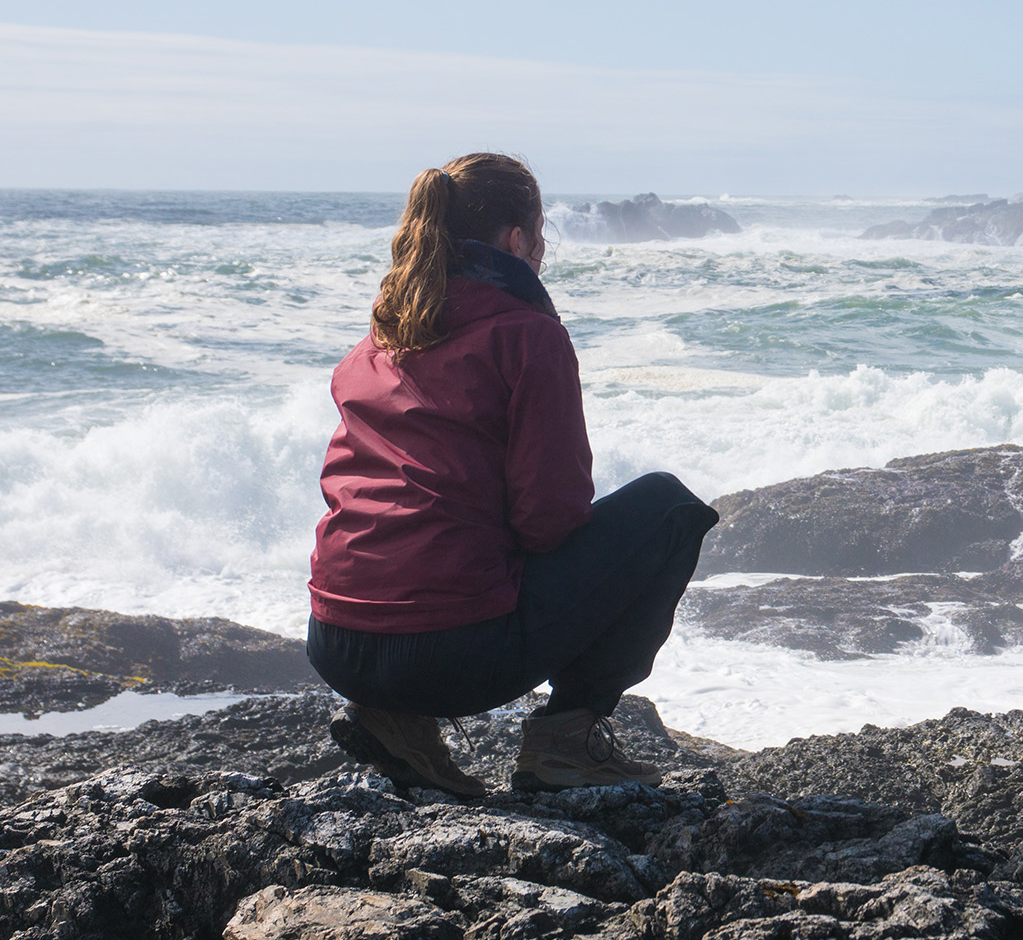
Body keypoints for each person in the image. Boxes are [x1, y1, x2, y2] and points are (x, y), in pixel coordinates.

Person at [306, 152, 718, 797]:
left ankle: (396, 721)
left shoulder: (378, 339)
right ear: (518, 239)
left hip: (336, 643)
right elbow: (546, 518)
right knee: (668, 508)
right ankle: (567, 738)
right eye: (541, 233)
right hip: (449, 657)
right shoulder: (526, 335)